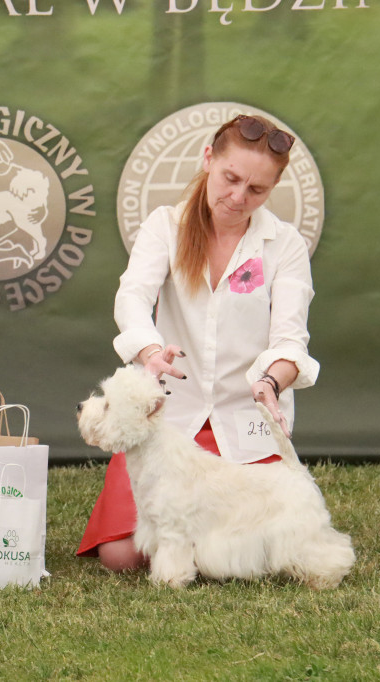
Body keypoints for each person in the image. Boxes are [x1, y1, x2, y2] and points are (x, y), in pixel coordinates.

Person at [76, 113, 320, 571]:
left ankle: (217, 552)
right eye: (230, 178)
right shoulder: (164, 226)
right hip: (168, 423)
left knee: (267, 548)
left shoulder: (283, 245)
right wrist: (151, 352)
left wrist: (271, 382)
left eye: (257, 190)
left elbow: (291, 340)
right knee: (120, 556)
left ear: (272, 190)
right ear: (208, 158)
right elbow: (132, 299)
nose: (237, 197)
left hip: (244, 423)